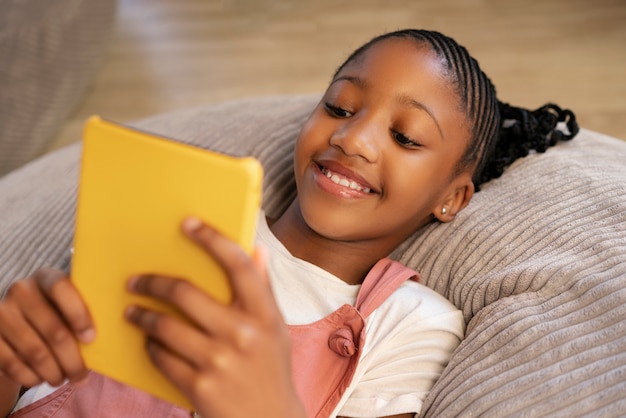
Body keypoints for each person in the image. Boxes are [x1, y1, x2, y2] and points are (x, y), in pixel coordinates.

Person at [0, 29, 578, 418]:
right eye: (340, 108)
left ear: (452, 198)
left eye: (405, 137)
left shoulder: (409, 325)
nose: (352, 139)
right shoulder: (180, 220)